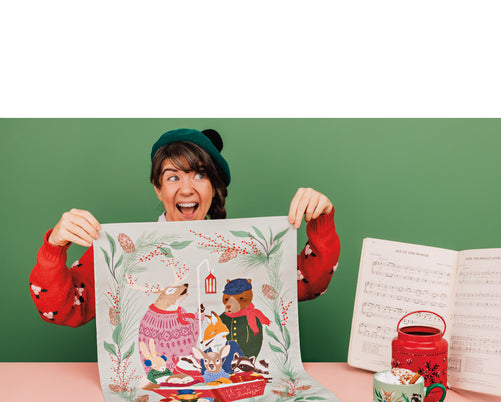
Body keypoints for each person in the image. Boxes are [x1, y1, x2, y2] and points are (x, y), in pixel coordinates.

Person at [29, 128, 340, 327]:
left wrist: (321, 220)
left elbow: (309, 283)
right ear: (158, 189)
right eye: (173, 177)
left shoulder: (243, 250)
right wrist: (54, 248)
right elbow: (64, 307)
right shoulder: (123, 252)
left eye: (200, 175)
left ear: (215, 188)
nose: (187, 189)